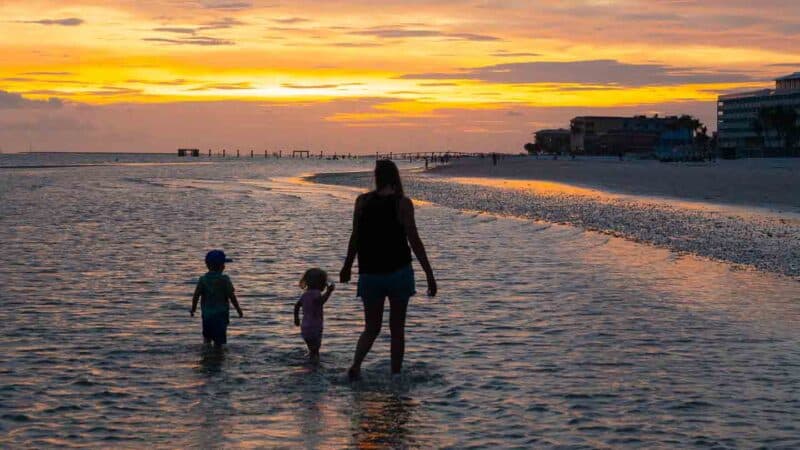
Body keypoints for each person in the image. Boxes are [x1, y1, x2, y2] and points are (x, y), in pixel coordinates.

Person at [340, 160, 437, 380]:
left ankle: (355, 365)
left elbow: (355, 237)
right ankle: (395, 376)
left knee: (371, 327)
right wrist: (429, 275)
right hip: (398, 273)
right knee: (397, 330)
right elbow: (414, 241)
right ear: (395, 176)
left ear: (377, 177)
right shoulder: (403, 203)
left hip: (369, 274)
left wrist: (347, 266)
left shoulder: (362, 201)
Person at [191, 250, 243, 347]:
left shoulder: (203, 280)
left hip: (207, 316)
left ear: (207, 265)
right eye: (223, 264)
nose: (224, 266)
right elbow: (232, 296)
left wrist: (193, 309)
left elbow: (196, 295)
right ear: (221, 266)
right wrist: (238, 310)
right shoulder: (224, 279)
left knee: (207, 339)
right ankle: (217, 359)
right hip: (220, 317)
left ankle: (207, 357)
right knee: (219, 343)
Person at [294, 268, 335, 362]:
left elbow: (297, 305)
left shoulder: (305, 294)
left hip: (305, 327)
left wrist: (296, 319)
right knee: (316, 351)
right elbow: (320, 302)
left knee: (312, 349)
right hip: (315, 327)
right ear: (320, 283)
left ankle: (309, 362)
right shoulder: (316, 293)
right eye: (324, 282)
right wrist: (329, 292)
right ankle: (314, 367)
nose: (325, 285)